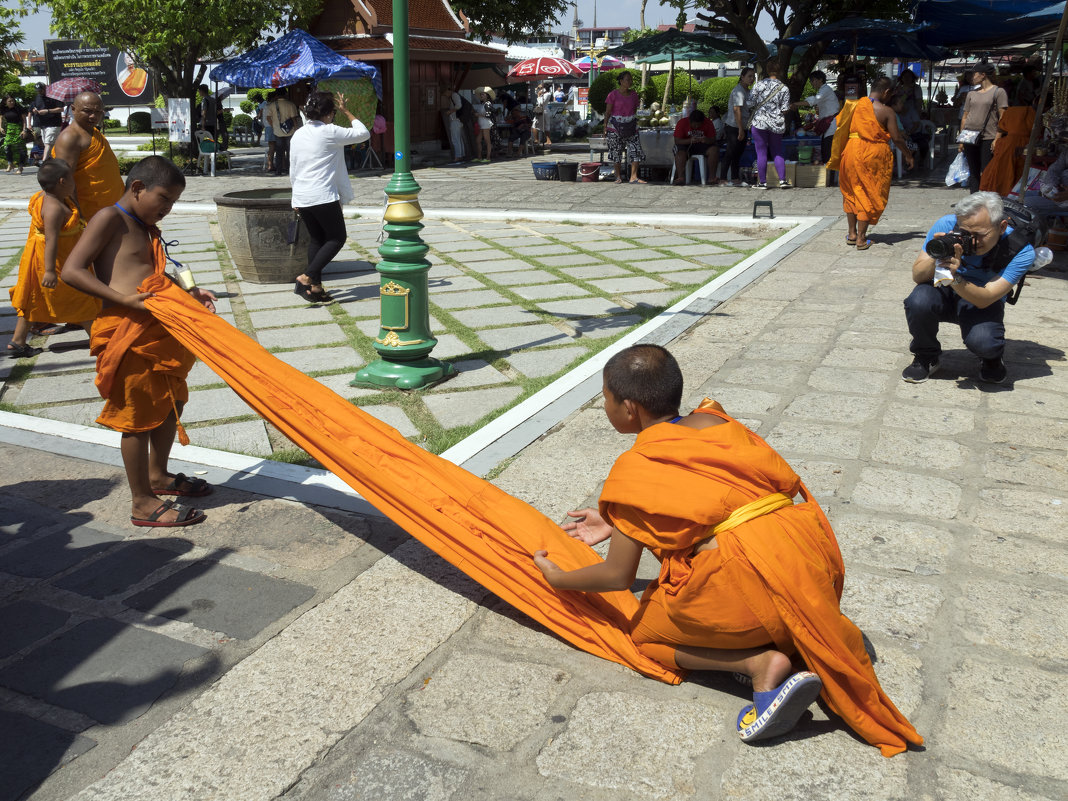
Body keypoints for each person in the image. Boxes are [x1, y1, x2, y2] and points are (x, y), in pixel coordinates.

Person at [532, 345, 923, 754]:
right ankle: (784, 635)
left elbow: (617, 577)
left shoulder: (636, 471)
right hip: (808, 561)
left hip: (750, 584)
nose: (606, 407)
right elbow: (716, 501)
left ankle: (757, 665)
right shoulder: (717, 421)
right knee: (742, 585)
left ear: (629, 409)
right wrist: (617, 522)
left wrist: (559, 578)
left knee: (646, 637)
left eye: (606, 400)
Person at [60, 156, 218, 527]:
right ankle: (142, 502)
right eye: (163, 199)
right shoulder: (109, 219)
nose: (167, 208)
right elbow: (71, 270)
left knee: (168, 402)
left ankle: (158, 475)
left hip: (160, 331)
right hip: (126, 332)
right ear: (137, 188)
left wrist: (190, 292)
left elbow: (154, 274)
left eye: (173, 203)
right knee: (136, 418)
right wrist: (123, 300)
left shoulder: (147, 226)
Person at [902, 192, 1034, 385]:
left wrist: (955, 277)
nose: (971, 241)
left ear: (1001, 226)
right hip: (944, 292)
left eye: (979, 235)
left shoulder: (1021, 250)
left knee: (984, 342)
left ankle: (991, 358)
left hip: (981, 299)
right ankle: (925, 354)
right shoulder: (947, 225)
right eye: (965, 233)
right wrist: (937, 252)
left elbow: (986, 297)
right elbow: (918, 276)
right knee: (918, 300)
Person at [6, 159, 101, 358]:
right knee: (79, 298)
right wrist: (50, 270)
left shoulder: (45, 196)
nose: (74, 183)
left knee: (32, 300)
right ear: (61, 182)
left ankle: (18, 341)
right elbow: (51, 240)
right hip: (56, 262)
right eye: (71, 180)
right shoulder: (54, 208)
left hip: (42, 257)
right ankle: (100, 341)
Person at [289, 91, 369, 303]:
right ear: (328, 113)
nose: (333, 116)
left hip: (302, 195)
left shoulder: (298, 134)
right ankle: (307, 277)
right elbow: (363, 133)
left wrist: (294, 198)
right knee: (336, 238)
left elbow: (293, 168)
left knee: (317, 239)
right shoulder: (330, 132)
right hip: (322, 195)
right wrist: (347, 111)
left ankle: (315, 288)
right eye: (333, 112)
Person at [829, 76, 913, 250]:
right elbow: (897, 138)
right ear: (887, 92)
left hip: (851, 150)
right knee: (868, 192)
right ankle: (861, 238)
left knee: (851, 192)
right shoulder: (886, 111)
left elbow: (839, 127)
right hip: (873, 154)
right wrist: (908, 155)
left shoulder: (852, 105)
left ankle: (852, 234)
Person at [51, 92, 124, 223]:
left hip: (111, 207)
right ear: (73, 109)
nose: (93, 116)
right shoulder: (70, 137)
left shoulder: (92, 131)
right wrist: (78, 215)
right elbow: (65, 179)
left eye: (98, 112)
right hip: (88, 212)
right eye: (87, 111)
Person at [959, 63, 1008, 193]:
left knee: (987, 171)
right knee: (973, 171)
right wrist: (961, 137)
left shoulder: (998, 92)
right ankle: (974, 200)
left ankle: (988, 201)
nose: (971, 77)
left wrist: (997, 138)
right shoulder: (971, 93)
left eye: (974, 74)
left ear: (983, 75)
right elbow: (965, 116)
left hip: (988, 136)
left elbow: (1003, 117)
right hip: (969, 136)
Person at [748, 60, 792, 189]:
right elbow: (784, 109)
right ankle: (783, 181)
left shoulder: (759, 85)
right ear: (779, 71)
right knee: (777, 151)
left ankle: (762, 182)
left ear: (767, 70)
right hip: (776, 124)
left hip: (760, 122)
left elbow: (750, 103)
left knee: (761, 153)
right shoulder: (784, 88)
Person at [979, 103, 1035, 196]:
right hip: (1024, 144)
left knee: (999, 171)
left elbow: (1001, 127)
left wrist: (997, 139)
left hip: (1008, 144)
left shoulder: (1011, 111)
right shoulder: (1033, 113)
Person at [605, 71, 645, 184]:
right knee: (616, 152)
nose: (630, 82)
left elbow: (635, 110)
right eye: (627, 79)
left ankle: (633, 176)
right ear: (621, 81)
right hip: (615, 128)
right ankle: (618, 176)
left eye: (631, 79)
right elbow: (608, 112)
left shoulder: (634, 95)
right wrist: (604, 127)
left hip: (631, 126)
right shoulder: (612, 95)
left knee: (636, 150)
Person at [795, 70, 840, 165]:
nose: (812, 83)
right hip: (827, 125)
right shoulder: (823, 90)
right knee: (826, 153)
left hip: (831, 126)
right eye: (811, 81)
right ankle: (829, 176)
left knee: (828, 154)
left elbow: (815, 100)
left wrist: (795, 104)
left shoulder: (825, 90)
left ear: (820, 80)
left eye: (813, 80)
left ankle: (830, 178)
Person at [719, 67, 755, 186]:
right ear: (742, 77)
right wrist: (740, 129)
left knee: (738, 153)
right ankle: (723, 179)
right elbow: (737, 110)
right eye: (749, 76)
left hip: (743, 126)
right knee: (730, 152)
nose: (752, 79)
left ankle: (735, 178)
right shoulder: (738, 91)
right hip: (734, 126)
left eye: (753, 76)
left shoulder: (747, 91)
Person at [672, 108, 717, 186]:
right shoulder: (682, 123)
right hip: (685, 145)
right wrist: (690, 140)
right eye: (694, 125)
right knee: (680, 153)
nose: (696, 127)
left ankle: (712, 177)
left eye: (698, 125)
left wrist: (706, 140)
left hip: (702, 146)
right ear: (690, 121)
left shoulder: (708, 123)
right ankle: (681, 177)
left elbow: (713, 139)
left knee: (714, 150)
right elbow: (677, 141)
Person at [266, 88, 302, 174]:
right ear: (285, 94)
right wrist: (296, 128)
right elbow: (294, 118)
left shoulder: (271, 105)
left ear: (277, 95)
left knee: (279, 151)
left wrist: (273, 125)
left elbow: (268, 117)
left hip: (277, 131)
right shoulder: (291, 104)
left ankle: (279, 170)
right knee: (290, 151)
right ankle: (289, 169)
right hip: (290, 131)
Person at [30, 83, 63, 164]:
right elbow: (33, 107)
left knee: (48, 143)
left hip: (54, 123)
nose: (40, 92)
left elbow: (61, 108)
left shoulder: (54, 96)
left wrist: (48, 111)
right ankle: (53, 161)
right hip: (43, 124)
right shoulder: (37, 97)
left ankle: (44, 162)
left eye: (41, 90)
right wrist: (35, 110)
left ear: (45, 88)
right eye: (38, 91)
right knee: (49, 144)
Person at [3, 94, 30, 175]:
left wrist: (24, 130)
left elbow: (24, 120)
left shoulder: (19, 108)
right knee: (6, 146)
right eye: (9, 101)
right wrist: (1, 127)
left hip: (18, 128)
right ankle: (10, 163)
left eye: (13, 101)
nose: (12, 102)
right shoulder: (4, 109)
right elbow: (1, 118)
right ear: (5, 102)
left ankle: (20, 167)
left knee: (21, 148)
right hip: (9, 129)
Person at [441, 84, 466, 163]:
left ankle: (458, 156)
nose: (445, 95)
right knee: (459, 138)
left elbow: (458, 105)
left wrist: (450, 112)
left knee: (455, 139)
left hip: (455, 120)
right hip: (458, 120)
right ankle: (461, 155)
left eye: (445, 93)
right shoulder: (454, 96)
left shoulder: (454, 95)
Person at [474, 87, 495, 162]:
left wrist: (478, 115)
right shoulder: (483, 104)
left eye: (482, 94)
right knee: (478, 141)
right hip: (482, 125)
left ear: (487, 95)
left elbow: (489, 115)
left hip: (486, 125)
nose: (481, 96)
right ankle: (479, 157)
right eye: (481, 95)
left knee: (487, 141)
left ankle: (488, 158)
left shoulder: (488, 104)